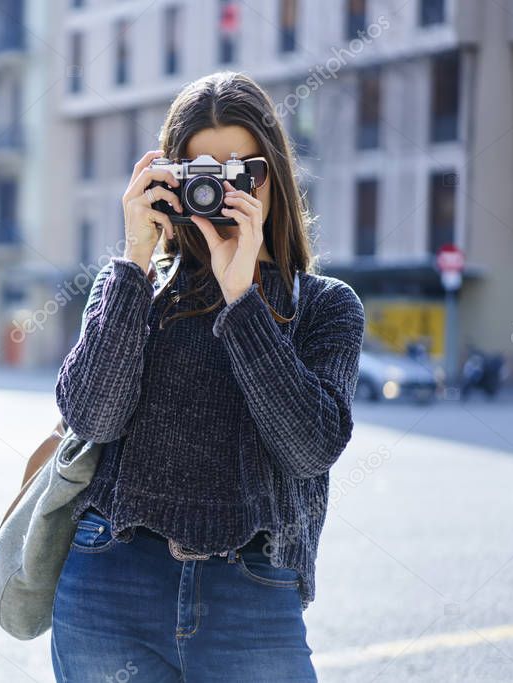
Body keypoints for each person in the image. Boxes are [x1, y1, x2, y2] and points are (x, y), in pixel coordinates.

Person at [51, 71, 365, 682]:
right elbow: (92, 416)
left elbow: (310, 448)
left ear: (273, 174)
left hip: (252, 592)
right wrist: (136, 256)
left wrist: (241, 295)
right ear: (171, 179)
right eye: (202, 174)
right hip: (109, 583)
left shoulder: (325, 306)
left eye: (240, 172)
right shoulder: (132, 289)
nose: (222, 192)